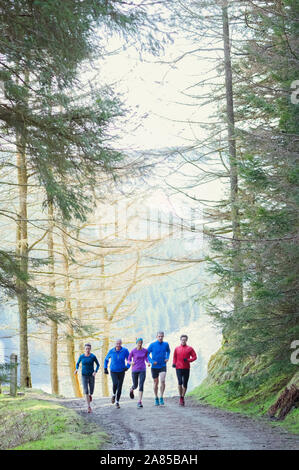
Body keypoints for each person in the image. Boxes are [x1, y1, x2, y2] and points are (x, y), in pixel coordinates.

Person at [104, 339, 130, 409]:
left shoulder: (125, 351)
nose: (118, 345)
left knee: (120, 386)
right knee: (115, 383)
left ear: (121, 343)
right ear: (115, 344)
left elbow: (129, 360)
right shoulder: (111, 351)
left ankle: (117, 402)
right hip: (113, 371)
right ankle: (113, 394)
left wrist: (127, 367)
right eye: (117, 344)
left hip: (122, 371)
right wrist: (105, 368)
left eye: (119, 344)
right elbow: (106, 359)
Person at [172, 334, 197, 406]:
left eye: (184, 340)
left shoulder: (190, 348)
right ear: (180, 340)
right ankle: (180, 397)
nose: (183, 341)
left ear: (186, 340)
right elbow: (174, 357)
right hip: (178, 368)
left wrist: (189, 360)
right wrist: (174, 363)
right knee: (180, 382)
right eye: (182, 340)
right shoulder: (177, 348)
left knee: (185, 383)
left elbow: (195, 357)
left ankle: (182, 397)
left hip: (186, 368)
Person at [75, 343, 100, 413]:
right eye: (86, 349)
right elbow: (77, 363)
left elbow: (98, 365)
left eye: (89, 349)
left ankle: (90, 395)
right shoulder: (82, 356)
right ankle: (88, 406)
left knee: (91, 390)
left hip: (91, 375)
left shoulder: (93, 356)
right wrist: (76, 369)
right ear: (84, 349)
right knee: (86, 390)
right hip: (84, 375)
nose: (87, 350)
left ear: (90, 349)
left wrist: (95, 371)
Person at [147, 331, 170, 406]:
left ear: (163, 336)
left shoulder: (166, 344)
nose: (160, 337)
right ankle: (156, 397)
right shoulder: (152, 345)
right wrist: (151, 361)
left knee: (162, 380)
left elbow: (168, 351)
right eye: (159, 336)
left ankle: (161, 397)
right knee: (156, 383)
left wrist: (167, 358)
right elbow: (146, 354)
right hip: (154, 367)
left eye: (162, 336)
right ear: (156, 337)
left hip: (163, 365)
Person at [128, 338, 150, 408]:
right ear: (136, 343)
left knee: (141, 385)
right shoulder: (133, 351)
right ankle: (132, 389)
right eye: (138, 342)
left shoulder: (145, 350)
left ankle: (139, 401)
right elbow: (128, 359)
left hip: (142, 369)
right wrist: (131, 362)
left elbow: (146, 358)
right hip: (135, 370)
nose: (140, 344)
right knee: (135, 385)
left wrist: (148, 362)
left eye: (141, 342)